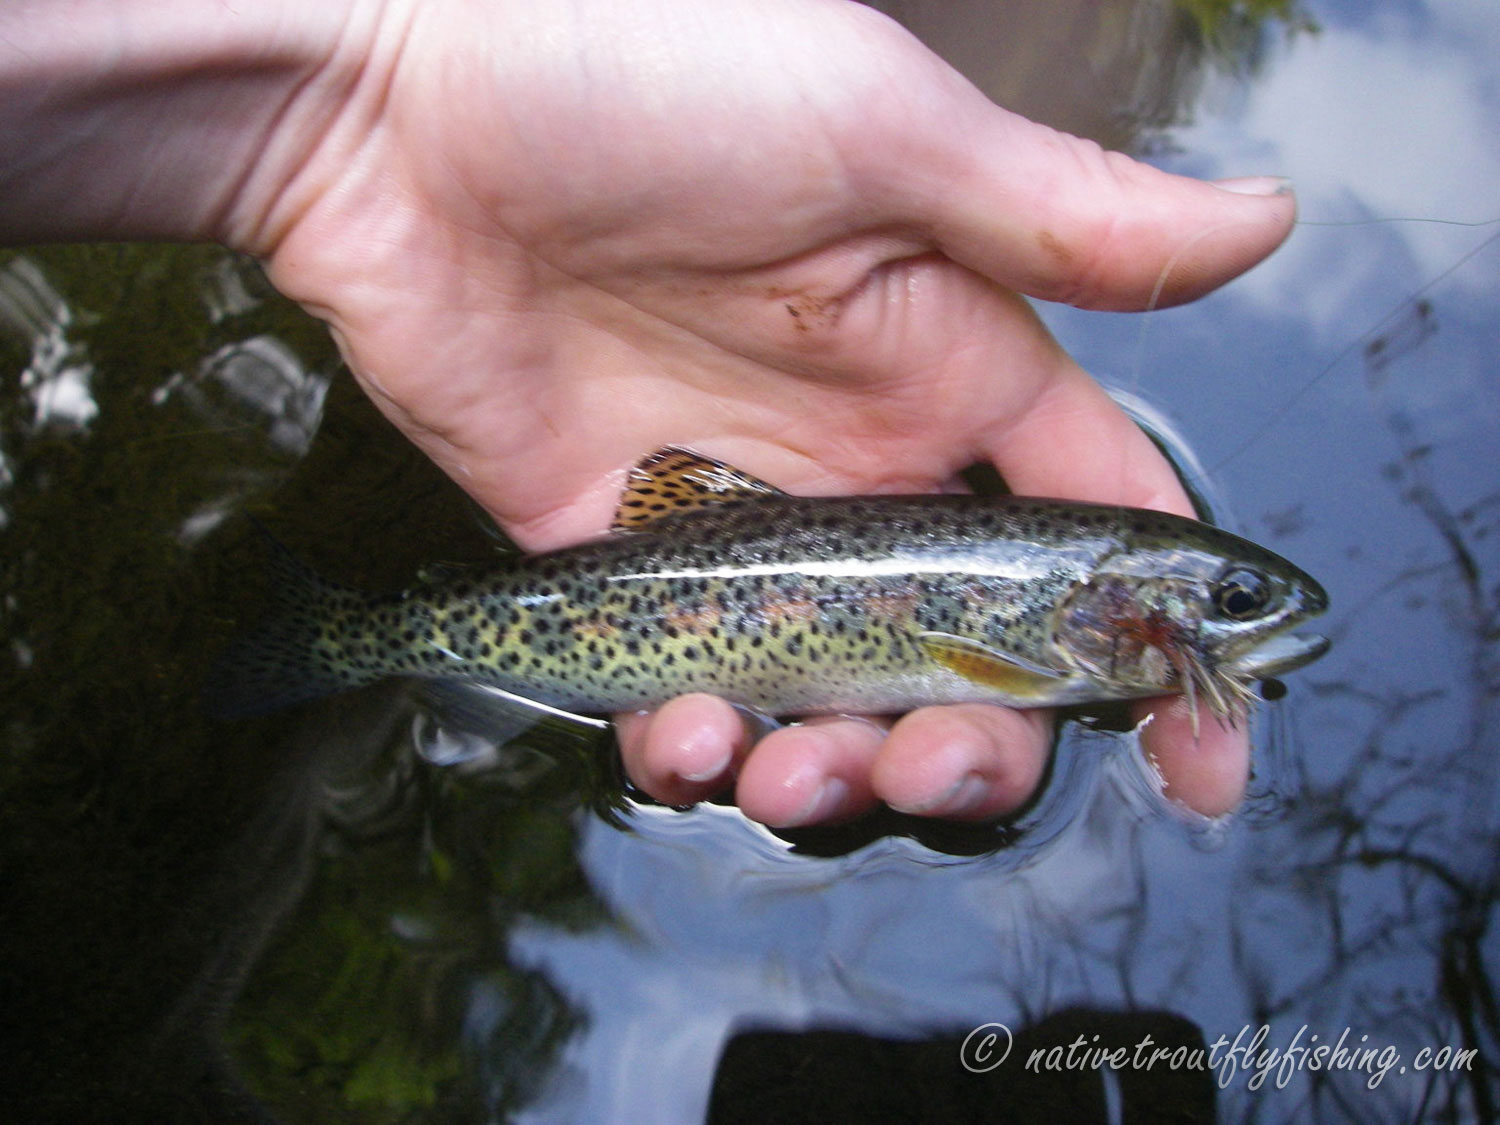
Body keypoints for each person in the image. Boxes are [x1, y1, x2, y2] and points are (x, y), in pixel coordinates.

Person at [0, 0, 1294, 827]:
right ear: (1128, 608)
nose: (1245, 618)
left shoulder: (1057, 628)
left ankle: (350, 635)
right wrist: (371, 84)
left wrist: (370, 81)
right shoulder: (1046, 640)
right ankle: (346, 636)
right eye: (1230, 601)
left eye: (1230, 604)